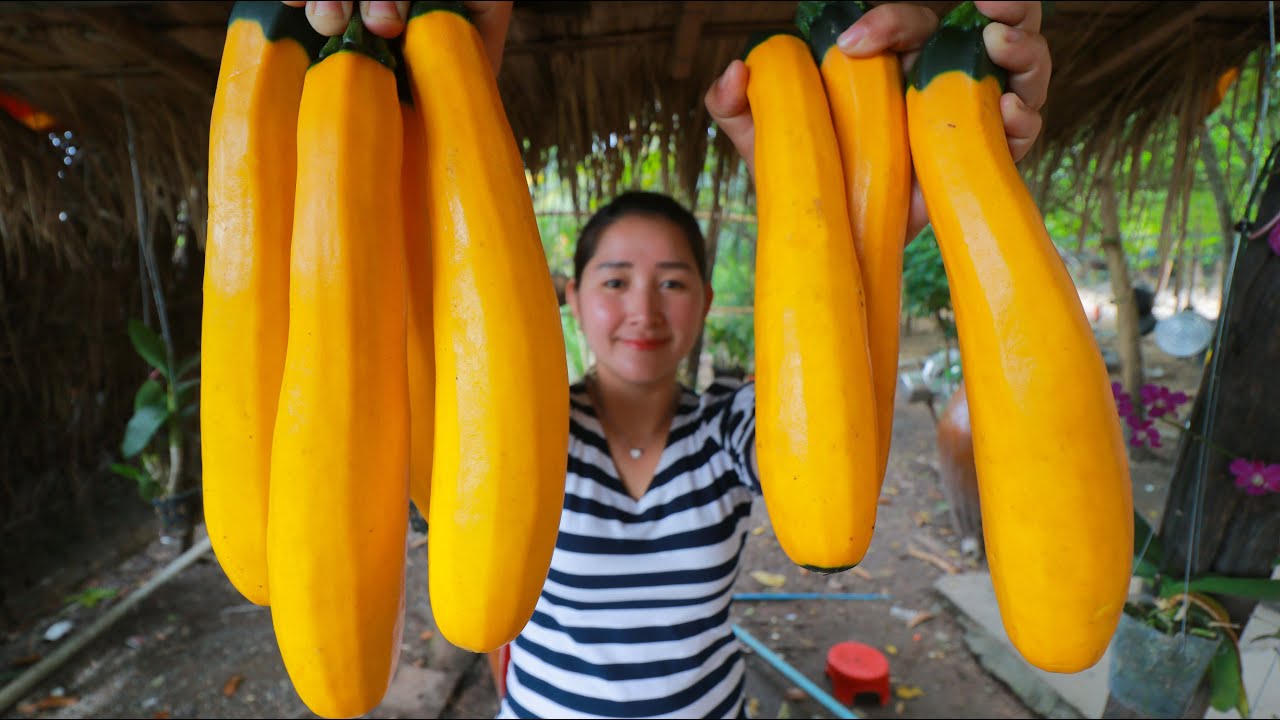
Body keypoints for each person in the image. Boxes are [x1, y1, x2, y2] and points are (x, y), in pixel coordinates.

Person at [281, 1, 1052, 717]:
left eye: (673, 281)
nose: (643, 310)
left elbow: (831, 442)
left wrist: (873, 217)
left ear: (708, 304)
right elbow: (401, 305)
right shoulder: (506, 422)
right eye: (614, 281)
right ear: (570, 297)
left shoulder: (731, 433)